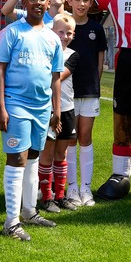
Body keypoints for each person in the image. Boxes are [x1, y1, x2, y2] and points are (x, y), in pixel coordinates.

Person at [0, 0, 65, 241]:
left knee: (34, 157)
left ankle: (29, 211)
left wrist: (57, 110)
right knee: (18, 158)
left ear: (48, 3)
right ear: (24, 2)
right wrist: (0, 107)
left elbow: (55, 77)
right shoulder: (11, 32)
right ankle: (11, 222)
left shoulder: (52, 38)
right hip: (16, 105)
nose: (38, 2)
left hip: (42, 108)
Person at [64, 0, 107, 207]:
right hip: (68, 93)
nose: (81, 4)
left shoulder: (96, 29)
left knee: (86, 137)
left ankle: (86, 188)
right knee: (71, 139)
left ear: (91, 3)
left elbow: (99, 63)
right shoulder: (63, 27)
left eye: (86, 0)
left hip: (89, 92)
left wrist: (93, 85)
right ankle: (72, 188)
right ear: (69, 1)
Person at [38, 14, 81, 213]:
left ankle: (60, 195)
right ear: (52, 32)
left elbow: (57, 77)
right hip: (47, 110)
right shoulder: (43, 53)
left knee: (61, 153)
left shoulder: (73, 55)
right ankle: (46, 197)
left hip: (66, 109)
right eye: (61, 32)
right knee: (47, 153)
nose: (65, 36)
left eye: (69, 33)